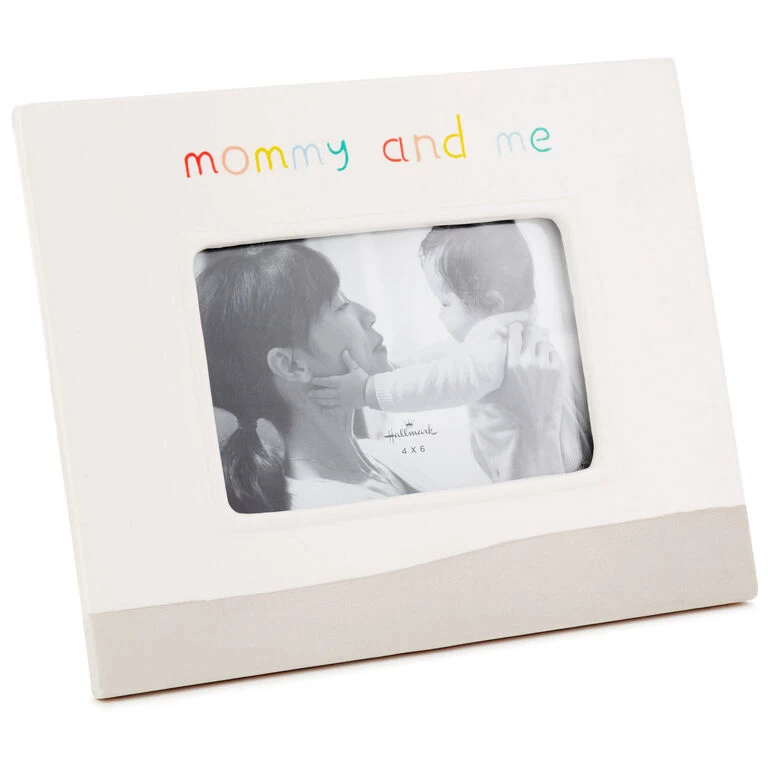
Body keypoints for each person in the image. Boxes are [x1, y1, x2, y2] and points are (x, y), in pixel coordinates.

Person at [310, 222, 593, 482]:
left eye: (445, 304)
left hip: (530, 466)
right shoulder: (508, 331)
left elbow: (441, 381)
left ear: (492, 303)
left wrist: (368, 391)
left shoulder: (495, 342)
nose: (440, 315)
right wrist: (394, 369)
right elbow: (443, 356)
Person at [196, 241, 425, 513]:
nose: (369, 315)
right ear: (292, 366)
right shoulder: (339, 508)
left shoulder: (378, 454)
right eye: (340, 306)